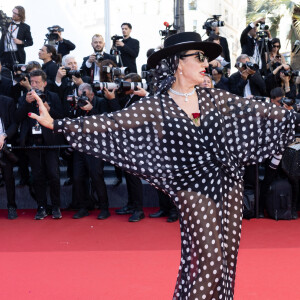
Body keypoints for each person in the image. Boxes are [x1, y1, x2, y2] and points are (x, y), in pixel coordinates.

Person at [28, 32, 296, 299]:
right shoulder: (157, 106)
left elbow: (266, 112)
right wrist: (58, 124)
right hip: (192, 190)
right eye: (200, 57)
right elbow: (112, 123)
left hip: (228, 187)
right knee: (209, 260)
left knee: (225, 259)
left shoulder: (216, 99)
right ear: (179, 62)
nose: (207, 63)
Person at [15, 69, 64, 220]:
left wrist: (50, 111)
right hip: (32, 142)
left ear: (44, 83)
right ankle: (41, 207)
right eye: (32, 82)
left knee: (54, 176)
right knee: (37, 177)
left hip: (50, 143)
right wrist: (25, 104)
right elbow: (16, 118)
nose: (34, 84)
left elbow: (62, 117)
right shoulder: (25, 98)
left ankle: (56, 206)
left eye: (37, 82)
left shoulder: (53, 96)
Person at [0, 95, 18, 219]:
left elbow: (14, 124)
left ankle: (11, 207)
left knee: (8, 177)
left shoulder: (7, 101)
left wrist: (4, 136)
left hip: (4, 145)